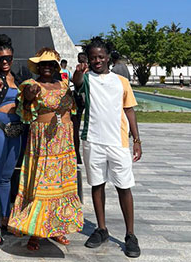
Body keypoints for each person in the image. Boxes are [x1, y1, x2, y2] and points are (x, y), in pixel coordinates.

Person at [8, 48, 83, 251]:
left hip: (64, 141)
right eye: (43, 64)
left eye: (51, 64)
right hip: (42, 141)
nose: (47, 67)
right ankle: (35, 232)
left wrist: (80, 71)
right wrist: (32, 94)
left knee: (61, 185)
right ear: (38, 67)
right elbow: (27, 99)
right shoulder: (31, 84)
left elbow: (78, 84)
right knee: (40, 185)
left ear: (57, 67)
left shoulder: (65, 84)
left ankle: (57, 228)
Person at [73, 37, 142, 258]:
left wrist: (137, 140)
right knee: (97, 185)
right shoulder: (87, 79)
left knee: (124, 187)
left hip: (118, 142)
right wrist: (79, 71)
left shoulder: (121, 82)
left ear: (108, 57)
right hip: (93, 140)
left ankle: (130, 234)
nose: (97, 60)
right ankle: (101, 229)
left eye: (101, 56)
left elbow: (129, 110)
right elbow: (76, 83)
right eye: (93, 57)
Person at [0, 34, 29, 245]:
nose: (4, 62)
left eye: (8, 58)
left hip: (16, 131)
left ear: (13, 57)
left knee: (7, 177)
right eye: (0, 58)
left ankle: (6, 218)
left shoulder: (19, 78)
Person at [72, 52, 87, 165]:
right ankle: (77, 154)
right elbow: (77, 82)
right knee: (75, 128)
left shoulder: (89, 70)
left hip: (84, 101)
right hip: (78, 100)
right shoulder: (79, 69)